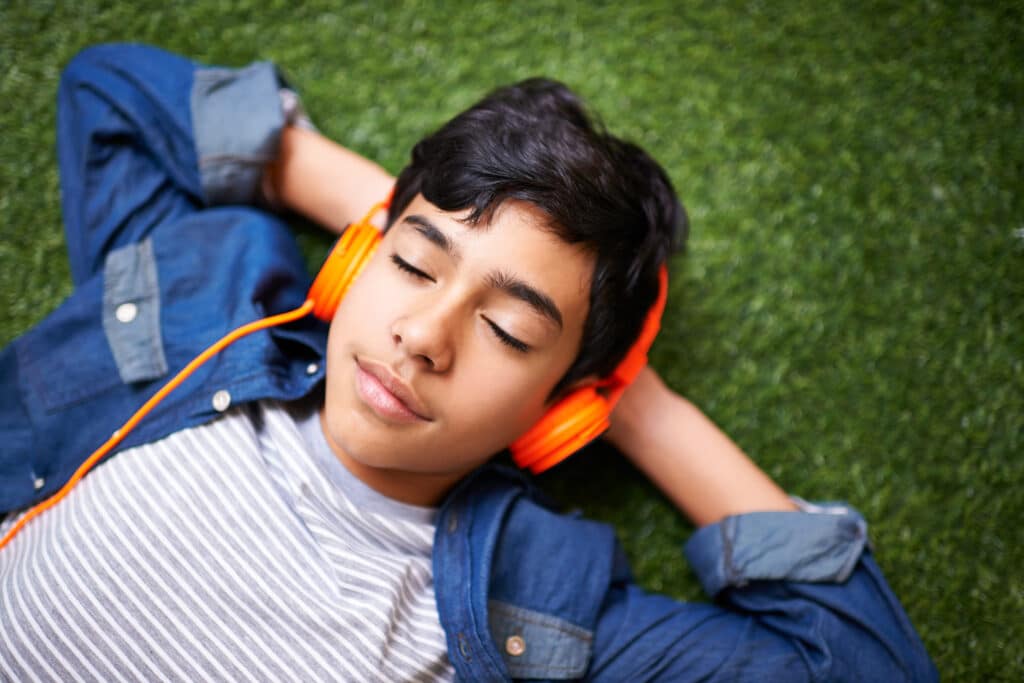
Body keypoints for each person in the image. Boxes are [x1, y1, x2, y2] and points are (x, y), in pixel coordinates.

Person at [0, 43, 937, 681]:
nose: (421, 335)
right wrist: (411, 210)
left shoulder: (537, 606)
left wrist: (635, 406)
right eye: (412, 266)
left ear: (558, 409)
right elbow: (109, 93)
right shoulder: (210, 305)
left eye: (510, 332)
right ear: (357, 259)